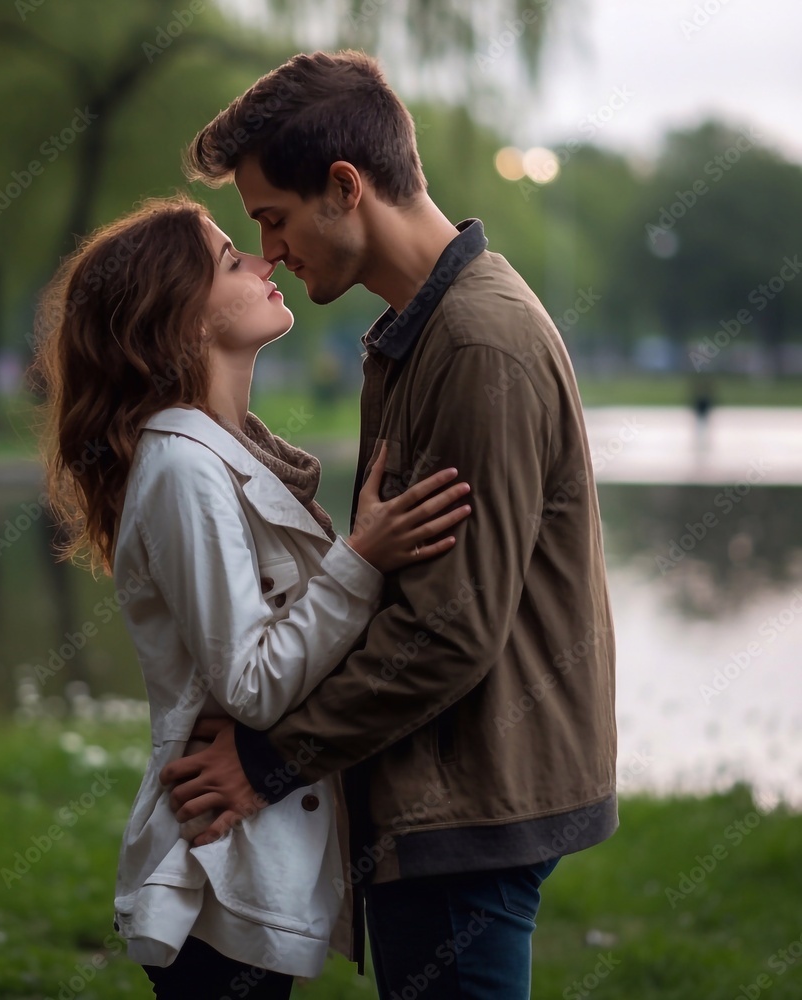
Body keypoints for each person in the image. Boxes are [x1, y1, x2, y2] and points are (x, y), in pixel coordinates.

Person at [162, 50, 619, 999]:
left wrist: (265, 763)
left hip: (466, 801)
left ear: (345, 187)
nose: (269, 250)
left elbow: (448, 628)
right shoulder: (425, 330)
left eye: (274, 218)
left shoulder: (477, 342)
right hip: (443, 795)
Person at [32, 195, 473, 999]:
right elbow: (250, 682)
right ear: (180, 318)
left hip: (251, 854)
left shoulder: (224, 455)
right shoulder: (182, 468)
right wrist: (360, 559)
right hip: (216, 864)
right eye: (231, 259)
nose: (265, 259)